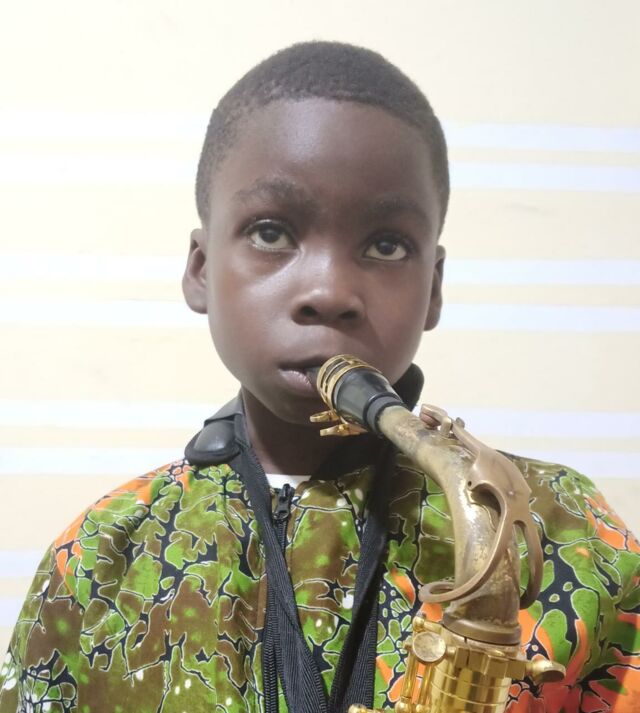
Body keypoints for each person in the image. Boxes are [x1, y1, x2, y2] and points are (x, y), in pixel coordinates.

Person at [0, 41, 638, 713]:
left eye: (386, 244)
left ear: (434, 289)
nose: (330, 291)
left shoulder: (570, 533)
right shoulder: (101, 556)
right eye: (271, 232)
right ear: (200, 269)